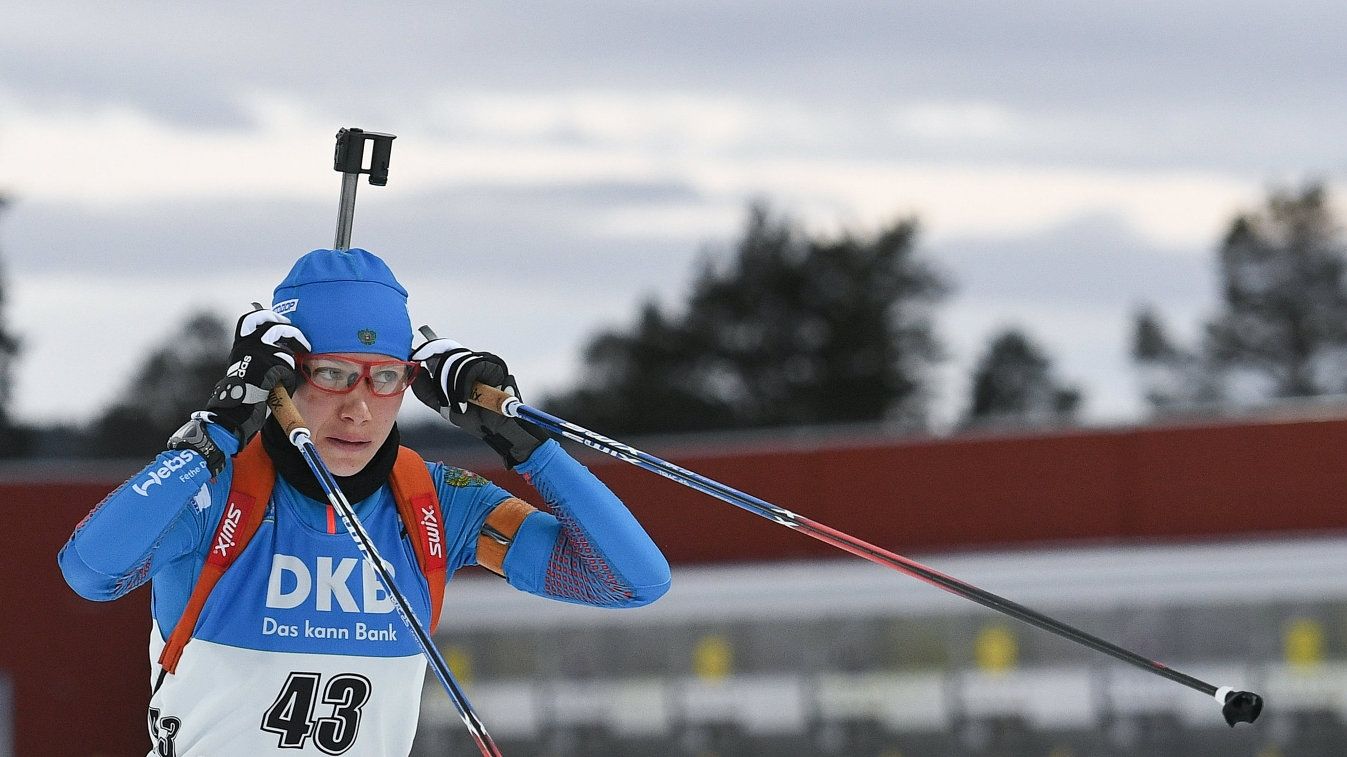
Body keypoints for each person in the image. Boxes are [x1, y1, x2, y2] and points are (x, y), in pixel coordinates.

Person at [58, 248, 671, 756]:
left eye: (384, 377)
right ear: (282, 377)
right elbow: (91, 572)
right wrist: (219, 424)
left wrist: (529, 446)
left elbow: (631, 582)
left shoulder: (432, 502)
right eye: (331, 372)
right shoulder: (218, 489)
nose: (358, 407)